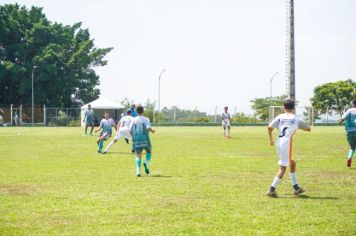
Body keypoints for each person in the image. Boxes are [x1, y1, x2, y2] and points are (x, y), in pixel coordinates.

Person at [266, 99, 311, 198]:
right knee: (283, 167)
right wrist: (302, 127)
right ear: (293, 108)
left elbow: (269, 127)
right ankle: (271, 189)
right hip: (287, 143)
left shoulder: (279, 117)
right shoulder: (296, 118)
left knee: (292, 163)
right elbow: (308, 128)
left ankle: (296, 188)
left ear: (284, 107)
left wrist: (271, 140)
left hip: (279, 141)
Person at [129, 105, 155, 177]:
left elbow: (129, 130)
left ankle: (138, 171)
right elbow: (148, 128)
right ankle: (146, 163)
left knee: (138, 155)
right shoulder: (146, 119)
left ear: (136, 112)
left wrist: (133, 137)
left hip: (136, 139)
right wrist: (152, 131)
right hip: (145, 139)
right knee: (149, 152)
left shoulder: (133, 119)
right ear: (143, 111)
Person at [339, 99, 356, 167]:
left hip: (350, 132)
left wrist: (339, 121)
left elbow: (342, 119)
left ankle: (349, 158)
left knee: (352, 147)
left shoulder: (350, 110)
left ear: (353, 104)